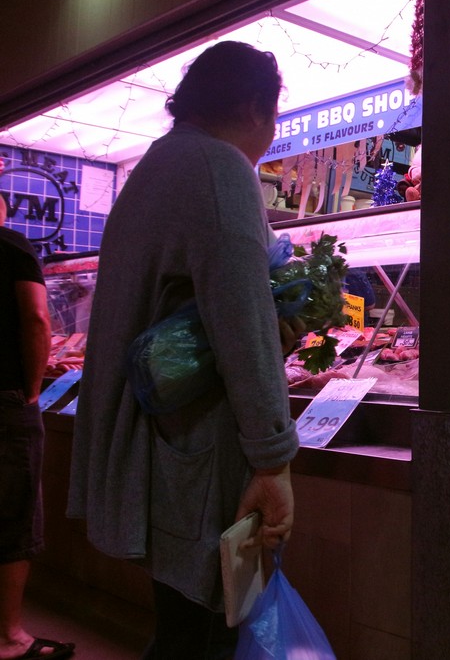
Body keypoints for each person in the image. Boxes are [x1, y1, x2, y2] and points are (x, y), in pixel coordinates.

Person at [69, 42, 300, 659]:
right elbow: (244, 326)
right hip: (197, 457)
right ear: (254, 107)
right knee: (206, 634)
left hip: (156, 447)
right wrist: (273, 462)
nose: (271, 138)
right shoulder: (219, 169)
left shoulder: (154, 167)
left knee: (182, 631)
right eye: (274, 119)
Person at [1, 196, 75, 660]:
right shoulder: (11, 246)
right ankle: (9, 638)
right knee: (12, 512)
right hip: (4, 400)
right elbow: (36, 316)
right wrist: (31, 390)